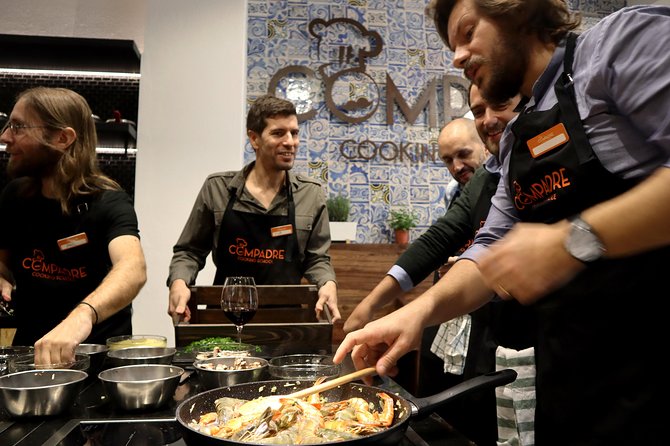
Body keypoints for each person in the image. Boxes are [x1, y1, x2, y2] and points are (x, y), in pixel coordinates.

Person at [335, 1, 670, 444]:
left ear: (518, 10)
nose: (456, 56)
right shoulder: (515, 140)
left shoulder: (619, 44)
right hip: (574, 378)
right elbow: (487, 252)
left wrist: (574, 240)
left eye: (468, 32)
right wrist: (415, 314)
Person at [344, 85, 526, 446]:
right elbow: (439, 240)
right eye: (478, 110)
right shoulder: (488, 176)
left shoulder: (526, 161)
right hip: (482, 313)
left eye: (501, 104)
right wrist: (370, 304)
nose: (489, 119)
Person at [0, 87, 147, 366]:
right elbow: (3, 263)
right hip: (29, 357)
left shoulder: (109, 202)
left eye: (18, 127)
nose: (5, 137)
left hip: (97, 361)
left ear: (62, 138)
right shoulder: (14, 196)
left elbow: (133, 268)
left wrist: (82, 316)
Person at [168, 94, 341, 324]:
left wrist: (327, 283)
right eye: (278, 133)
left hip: (287, 323)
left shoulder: (310, 194)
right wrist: (179, 283)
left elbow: (317, 259)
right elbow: (189, 251)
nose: (290, 141)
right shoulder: (218, 188)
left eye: (294, 133)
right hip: (224, 318)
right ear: (254, 138)